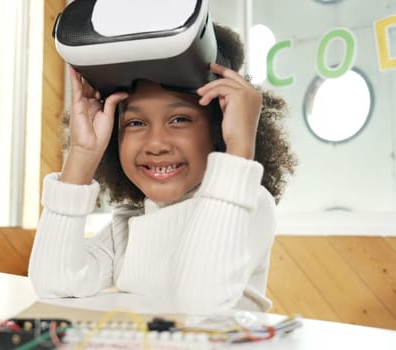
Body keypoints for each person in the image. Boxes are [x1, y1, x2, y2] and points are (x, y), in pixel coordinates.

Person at [28, 23, 297, 314]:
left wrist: (240, 148)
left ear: (220, 130)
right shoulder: (134, 220)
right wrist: (82, 154)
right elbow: (54, 281)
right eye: (135, 123)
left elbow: (200, 301)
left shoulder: (250, 205)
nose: (155, 143)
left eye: (179, 119)